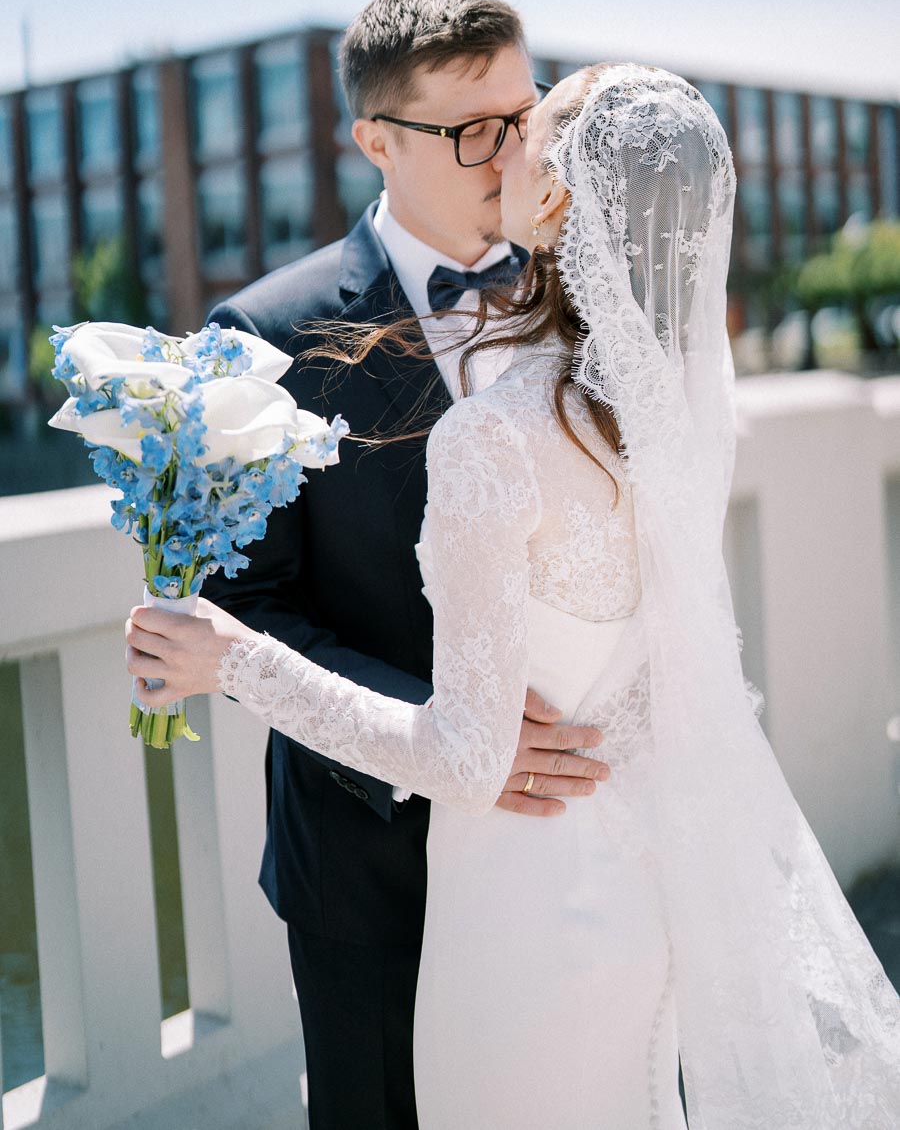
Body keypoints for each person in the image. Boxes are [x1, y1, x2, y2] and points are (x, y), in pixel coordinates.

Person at [127, 64, 900, 1127]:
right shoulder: (672, 413)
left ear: (554, 202)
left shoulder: (495, 437)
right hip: (637, 897)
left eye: (527, 127)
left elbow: (463, 759)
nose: (500, 143)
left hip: (518, 915)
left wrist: (234, 660)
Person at [195, 0, 608, 1130]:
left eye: (523, 118)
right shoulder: (263, 339)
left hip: (570, 849)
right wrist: (452, 733)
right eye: (474, 129)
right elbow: (245, 611)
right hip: (373, 865)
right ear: (376, 139)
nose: (510, 154)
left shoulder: (581, 297)